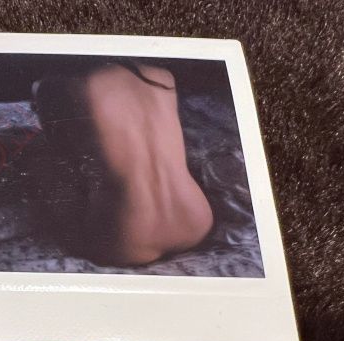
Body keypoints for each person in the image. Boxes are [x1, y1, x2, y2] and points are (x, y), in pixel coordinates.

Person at [32, 61, 214, 266]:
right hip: (196, 220)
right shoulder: (162, 76)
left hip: (126, 235)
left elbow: (60, 153)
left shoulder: (57, 84)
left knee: (41, 166)